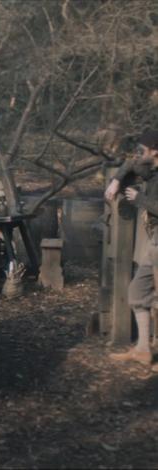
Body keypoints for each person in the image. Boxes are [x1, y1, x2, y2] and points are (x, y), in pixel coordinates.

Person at [105, 130, 158, 371]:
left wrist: (139, 199)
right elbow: (131, 163)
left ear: (154, 151)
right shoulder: (152, 169)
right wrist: (117, 179)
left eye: (142, 150)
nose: (138, 154)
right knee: (138, 291)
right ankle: (143, 350)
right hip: (155, 241)